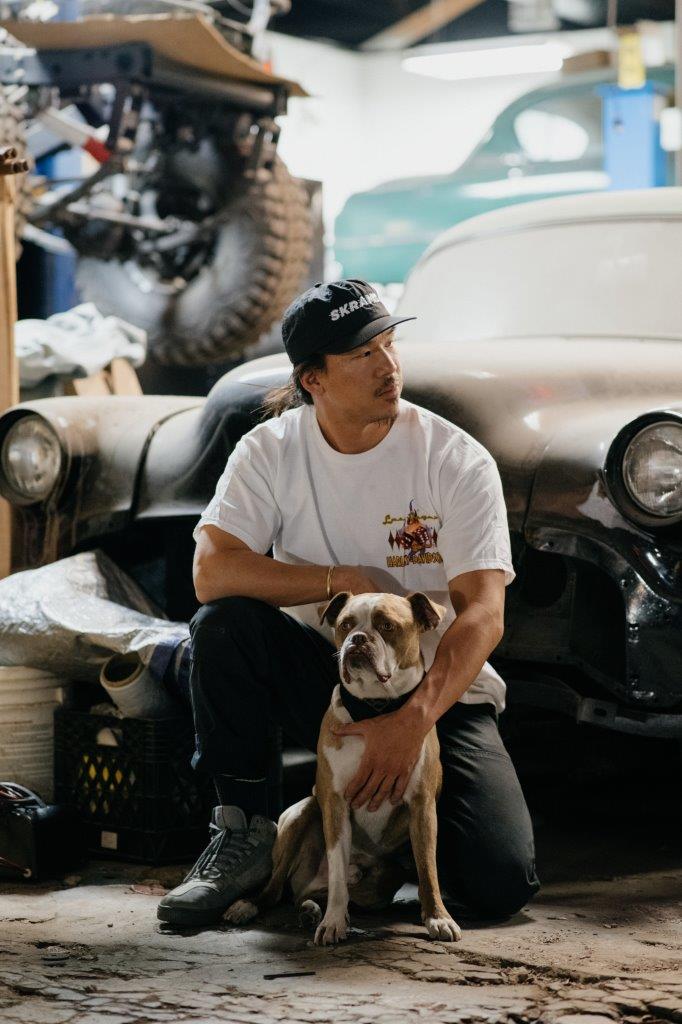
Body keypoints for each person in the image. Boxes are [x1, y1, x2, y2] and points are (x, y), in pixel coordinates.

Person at [157, 279, 540, 927]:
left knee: (500, 882)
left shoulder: (453, 459)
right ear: (314, 380)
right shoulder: (270, 451)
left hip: (438, 691)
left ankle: (382, 866)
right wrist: (341, 576)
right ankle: (246, 837)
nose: (389, 366)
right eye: (363, 355)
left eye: (390, 344)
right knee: (223, 627)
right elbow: (211, 573)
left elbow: (483, 613)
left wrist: (412, 720)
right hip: (326, 677)